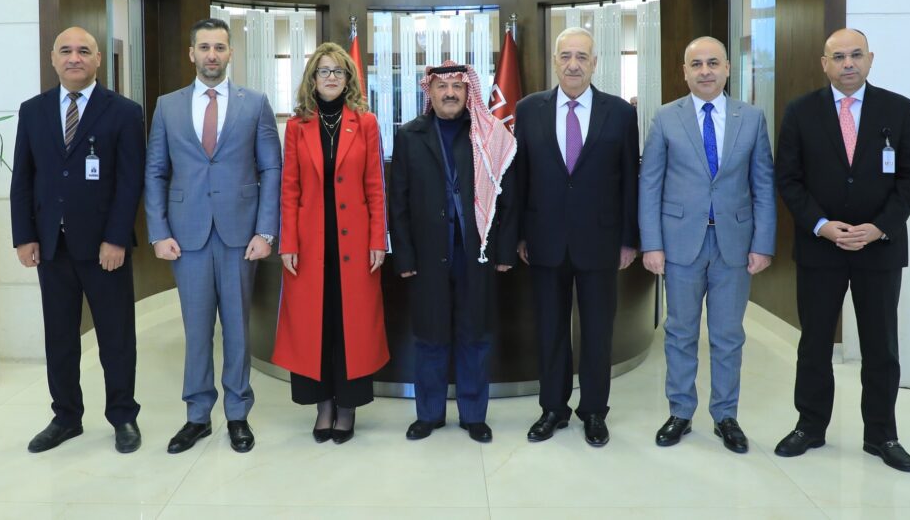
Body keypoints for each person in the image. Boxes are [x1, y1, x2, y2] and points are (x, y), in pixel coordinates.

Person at [773, 28, 910, 472]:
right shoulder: (800, 112)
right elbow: (788, 178)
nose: (848, 63)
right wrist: (821, 225)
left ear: (870, 59)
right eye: (838, 57)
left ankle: (882, 435)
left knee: (881, 347)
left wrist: (879, 228)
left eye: (856, 55)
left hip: (878, 248)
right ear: (824, 64)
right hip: (821, 248)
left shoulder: (898, 109)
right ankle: (810, 426)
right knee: (814, 344)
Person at [145, 18, 282, 454]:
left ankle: (238, 414)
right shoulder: (167, 106)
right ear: (192, 53)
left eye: (219, 47)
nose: (212, 55)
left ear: (230, 53)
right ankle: (197, 416)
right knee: (196, 329)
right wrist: (158, 232)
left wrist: (266, 230)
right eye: (204, 47)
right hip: (186, 236)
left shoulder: (254, 103)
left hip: (241, 235)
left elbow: (271, 169)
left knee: (238, 329)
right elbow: (156, 171)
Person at [10, 26, 145, 454]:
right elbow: (23, 179)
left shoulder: (124, 112)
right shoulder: (33, 111)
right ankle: (66, 417)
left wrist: (117, 238)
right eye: (65, 50)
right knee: (60, 337)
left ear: (98, 59)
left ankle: (123, 416)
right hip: (51, 245)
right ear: (52, 59)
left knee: (116, 337)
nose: (74, 58)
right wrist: (24, 236)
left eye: (83, 51)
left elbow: (130, 182)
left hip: (105, 248)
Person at [639, 36, 776, 454]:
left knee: (728, 335)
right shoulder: (666, 117)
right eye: (696, 64)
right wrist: (652, 244)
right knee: (680, 331)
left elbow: (763, 185)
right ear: (684, 72)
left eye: (713, 63)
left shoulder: (751, 118)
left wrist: (763, 243)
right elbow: (650, 184)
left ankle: (725, 415)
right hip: (680, 244)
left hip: (734, 244)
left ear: (727, 68)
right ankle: (680, 412)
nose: (705, 71)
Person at [514, 27, 639, 447]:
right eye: (565, 56)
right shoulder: (529, 109)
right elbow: (520, 178)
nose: (573, 64)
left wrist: (628, 239)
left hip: (600, 241)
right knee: (550, 330)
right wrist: (520, 235)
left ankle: (594, 411)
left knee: (598, 332)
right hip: (544, 240)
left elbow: (630, 180)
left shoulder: (619, 113)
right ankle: (553, 408)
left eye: (582, 57)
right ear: (554, 62)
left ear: (595, 63)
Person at [390, 61, 517, 443]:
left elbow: (507, 197)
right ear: (429, 91)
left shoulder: (487, 134)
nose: (449, 93)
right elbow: (398, 200)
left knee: (475, 335)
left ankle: (474, 416)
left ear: (468, 91)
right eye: (441, 86)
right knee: (429, 336)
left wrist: (504, 251)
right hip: (428, 255)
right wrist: (404, 256)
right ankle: (428, 415)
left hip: (476, 255)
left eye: (457, 87)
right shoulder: (410, 136)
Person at [272, 42, 389, 445]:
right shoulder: (297, 126)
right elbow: (289, 188)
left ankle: (348, 406)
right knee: (314, 326)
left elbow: (375, 186)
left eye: (338, 71)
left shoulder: (366, 122)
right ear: (312, 78)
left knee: (349, 326)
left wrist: (378, 239)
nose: (331, 78)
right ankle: (323, 406)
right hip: (309, 245)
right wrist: (288, 242)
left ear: (349, 78)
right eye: (323, 71)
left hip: (355, 245)